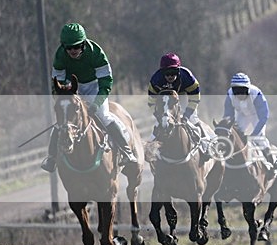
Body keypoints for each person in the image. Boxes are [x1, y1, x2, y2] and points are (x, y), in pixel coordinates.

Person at [42, 22, 137, 172]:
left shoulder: (95, 53)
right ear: (63, 46)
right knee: (61, 123)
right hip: (72, 88)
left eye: (77, 46)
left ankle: (127, 152)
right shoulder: (60, 56)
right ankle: (51, 158)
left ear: (84, 43)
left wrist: (96, 104)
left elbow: (106, 81)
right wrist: (64, 97)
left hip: (95, 86)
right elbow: (57, 85)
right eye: (69, 47)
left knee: (104, 116)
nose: (73, 50)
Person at [222, 72, 277, 174]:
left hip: (257, 116)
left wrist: (255, 133)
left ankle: (273, 164)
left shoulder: (256, 93)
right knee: (238, 137)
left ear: (248, 89)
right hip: (242, 115)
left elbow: (264, 116)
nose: (239, 94)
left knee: (259, 139)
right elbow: (228, 115)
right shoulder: (230, 94)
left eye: (242, 91)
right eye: (237, 91)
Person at [147, 52, 204, 142]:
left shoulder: (188, 77)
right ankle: (149, 147)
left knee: (193, 119)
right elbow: (151, 102)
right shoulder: (155, 80)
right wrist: (159, 116)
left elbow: (195, 98)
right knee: (159, 124)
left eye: (173, 72)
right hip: (165, 104)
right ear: (162, 72)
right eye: (167, 73)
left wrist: (186, 116)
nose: (170, 76)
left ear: (179, 70)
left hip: (183, 99)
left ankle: (206, 143)